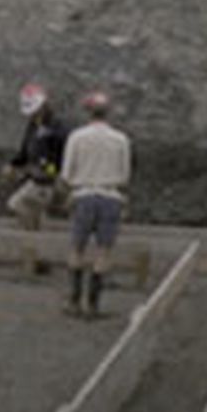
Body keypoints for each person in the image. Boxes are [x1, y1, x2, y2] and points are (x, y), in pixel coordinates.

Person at [60, 90, 133, 319]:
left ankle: (74, 300)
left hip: (83, 194)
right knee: (104, 252)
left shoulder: (77, 137)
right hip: (111, 197)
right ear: (108, 112)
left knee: (76, 248)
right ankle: (93, 304)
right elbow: (124, 175)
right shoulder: (121, 139)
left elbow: (66, 174)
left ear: (88, 111)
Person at [2, 82, 68, 232]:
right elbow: (25, 151)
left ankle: (34, 235)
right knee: (30, 211)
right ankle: (35, 237)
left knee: (18, 204)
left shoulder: (58, 128)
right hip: (35, 177)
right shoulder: (33, 125)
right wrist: (13, 164)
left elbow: (62, 156)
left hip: (49, 179)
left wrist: (51, 171)